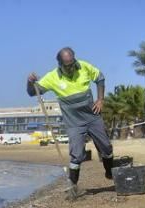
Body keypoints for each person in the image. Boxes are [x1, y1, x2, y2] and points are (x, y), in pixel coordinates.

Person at [27, 47, 114, 194]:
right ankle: (73, 186)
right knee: (76, 155)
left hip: (92, 117)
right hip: (74, 122)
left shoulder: (84, 66)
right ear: (60, 64)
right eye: (67, 64)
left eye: (72, 62)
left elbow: (100, 78)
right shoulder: (52, 77)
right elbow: (32, 92)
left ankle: (110, 172)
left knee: (106, 147)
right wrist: (30, 82)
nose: (72, 66)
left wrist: (100, 99)